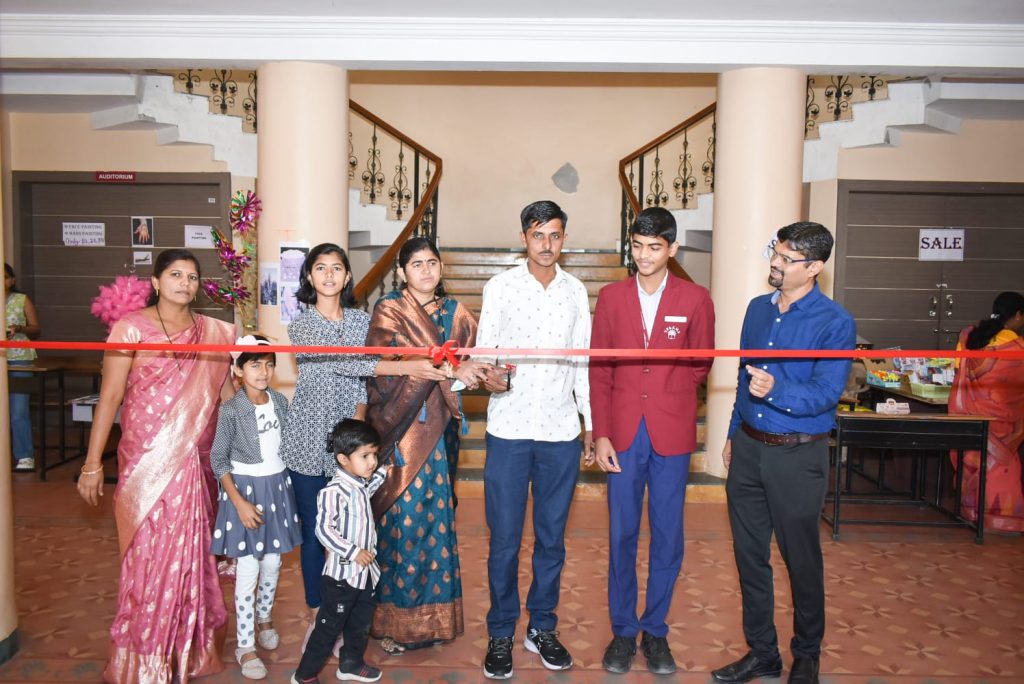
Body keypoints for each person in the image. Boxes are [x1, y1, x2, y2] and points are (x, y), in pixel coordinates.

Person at [76, 248, 236, 683]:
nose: (185, 283)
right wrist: (91, 463)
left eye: (192, 277)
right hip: (145, 463)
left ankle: (188, 649)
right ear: (156, 281)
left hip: (196, 461)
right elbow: (110, 398)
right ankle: (144, 653)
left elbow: (226, 399)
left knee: (193, 554)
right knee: (147, 557)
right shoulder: (130, 328)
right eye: (175, 274)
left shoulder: (214, 333)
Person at [711, 222, 854, 684]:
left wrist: (776, 390)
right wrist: (732, 433)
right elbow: (743, 378)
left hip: (798, 456)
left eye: (787, 258)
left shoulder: (835, 322)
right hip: (749, 450)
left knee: (801, 559)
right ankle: (762, 652)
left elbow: (826, 395)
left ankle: (807, 655)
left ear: (814, 267)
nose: (775, 262)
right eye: (776, 251)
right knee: (749, 556)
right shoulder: (757, 309)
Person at [278, 243, 444, 628]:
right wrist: (410, 366)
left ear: (348, 276)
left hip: (349, 440)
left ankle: (346, 609)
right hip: (307, 437)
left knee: (350, 529)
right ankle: (319, 612)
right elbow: (347, 362)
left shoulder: (359, 321)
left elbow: (362, 379)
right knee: (316, 531)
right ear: (309, 277)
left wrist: (357, 424)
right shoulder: (301, 324)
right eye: (321, 268)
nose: (329, 275)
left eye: (337, 268)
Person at [589, 207, 715, 675]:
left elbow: (701, 364)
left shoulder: (696, 298)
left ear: (672, 248)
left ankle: (655, 629)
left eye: (655, 247)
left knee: (667, 535)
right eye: (638, 246)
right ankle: (624, 630)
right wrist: (601, 433)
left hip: (671, 432)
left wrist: (670, 393)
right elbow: (600, 369)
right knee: (621, 534)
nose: (644, 255)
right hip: (622, 433)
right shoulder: (611, 297)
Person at [475, 200, 593, 679]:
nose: (547, 244)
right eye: (538, 235)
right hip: (509, 431)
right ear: (524, 237)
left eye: (555, 235)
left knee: (551, 541)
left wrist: (590, 425)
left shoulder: (575, 291)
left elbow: (582, 363)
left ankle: (542, 626)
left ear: (564, 239)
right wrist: (489, 376)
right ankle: (501, 631)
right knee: (504, 541)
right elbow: (484, 353)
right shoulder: (500, 287)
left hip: (561, 433)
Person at [366, 237, 492, 654]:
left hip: (440, 433)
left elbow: (474, 360)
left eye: (432, 262)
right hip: (401, 429)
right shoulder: (390, 309)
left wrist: (477, 371)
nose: (425, 270)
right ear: (402, 271)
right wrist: (438, 367)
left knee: (437, 520)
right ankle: (393, 622)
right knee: (400, 524)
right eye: (416, 264)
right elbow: (380, 366)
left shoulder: (456, 312)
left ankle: (434, 620)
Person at [209, 335, 303, 679]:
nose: (263, 371)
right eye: (254, 365)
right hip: (245, 494)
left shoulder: (279, 400)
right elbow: (219, 459)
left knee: (273, 563)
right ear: (238, 370)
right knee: (248, 569)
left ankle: (264, 617)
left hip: (276, 490)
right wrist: (239, 503)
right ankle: (245, 644)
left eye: (268, 364)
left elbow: (288, 444)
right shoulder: (231, 409)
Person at [291, 419, 391, 684]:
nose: (372, 462)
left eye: (375, 455)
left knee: (359, 625)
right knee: (327, 629)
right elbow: (323, 530)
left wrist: (383, 473)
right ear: (343, 459)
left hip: (365, 575)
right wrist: (353, 551)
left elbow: (367, 491)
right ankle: (304, 675)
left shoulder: (359, 484)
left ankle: (351, 664)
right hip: (341, 579)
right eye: (365, 456)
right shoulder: (333, 491)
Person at [949, 291, 1024, 533]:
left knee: (972, 461)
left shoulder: (969, 336)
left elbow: (957, 370)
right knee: (1002, 465)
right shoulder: (1018, 347)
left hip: (969, 417)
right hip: (1003, 420)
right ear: (1018, 315)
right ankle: (997, 520)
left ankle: (970, 511)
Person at [5, 263, 40, 472]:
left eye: (5, 277)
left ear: (12, 280)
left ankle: (24, 456)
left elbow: (35, 328)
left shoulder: (21, 299)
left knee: (18, 410)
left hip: (19, 358)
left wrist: (18, 328)